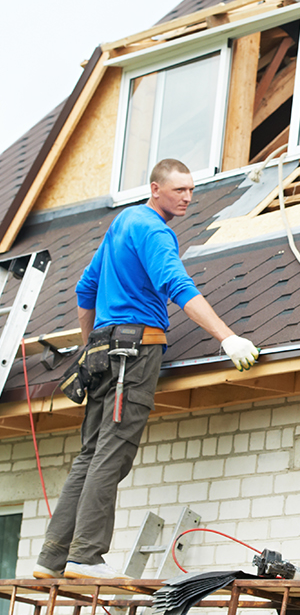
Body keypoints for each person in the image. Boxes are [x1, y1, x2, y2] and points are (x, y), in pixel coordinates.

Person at [33, 159, 260, 580]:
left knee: (90, 454)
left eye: (191, 190)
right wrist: (227, 337)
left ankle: (52, 559)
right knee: (113, 452)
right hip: (134, 355)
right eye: (179, 191)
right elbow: (177, 286)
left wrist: (90, 348)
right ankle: (86, 556)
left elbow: (87, 289)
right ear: (155, 189)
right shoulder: (156, 230)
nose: (188, 198)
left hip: (106, 351)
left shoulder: (123, 223)